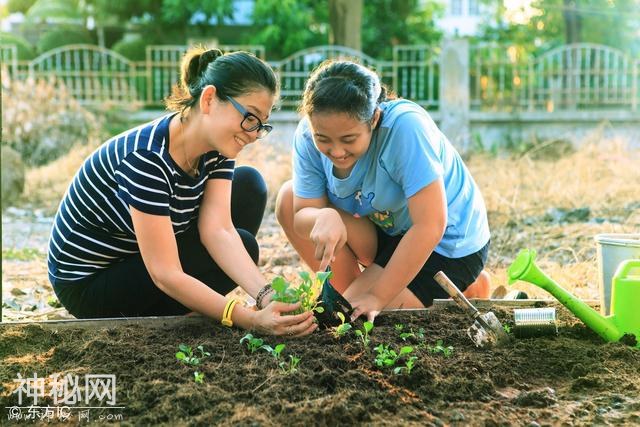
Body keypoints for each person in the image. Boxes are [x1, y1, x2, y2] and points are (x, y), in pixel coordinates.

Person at [47, 47, 316, 337]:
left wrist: (266, 296)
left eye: (261, 124)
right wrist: (245, 319)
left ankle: (189, 305)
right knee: (245, 245)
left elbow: (219, 231)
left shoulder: (217, 148)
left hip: (141, 256)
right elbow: (165, 273)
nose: (253, 134)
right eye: (249, 117)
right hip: (91, 284)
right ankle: (186, 307)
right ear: (210, 99)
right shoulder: (146, 158)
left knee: (248, 187)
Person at [276, 60, 491, 323]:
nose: (336, 151)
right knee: (288, 198)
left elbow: (431, 224)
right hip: (389, 230)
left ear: (374, 119)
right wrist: (322, 217)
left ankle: (468, 287)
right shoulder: (308, 137)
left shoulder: (405, 128)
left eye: (348, 139)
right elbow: (300, 215)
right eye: (323, 139)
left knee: (363, 315)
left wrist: (377, 296)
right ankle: (357, 293)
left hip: (446, 242)